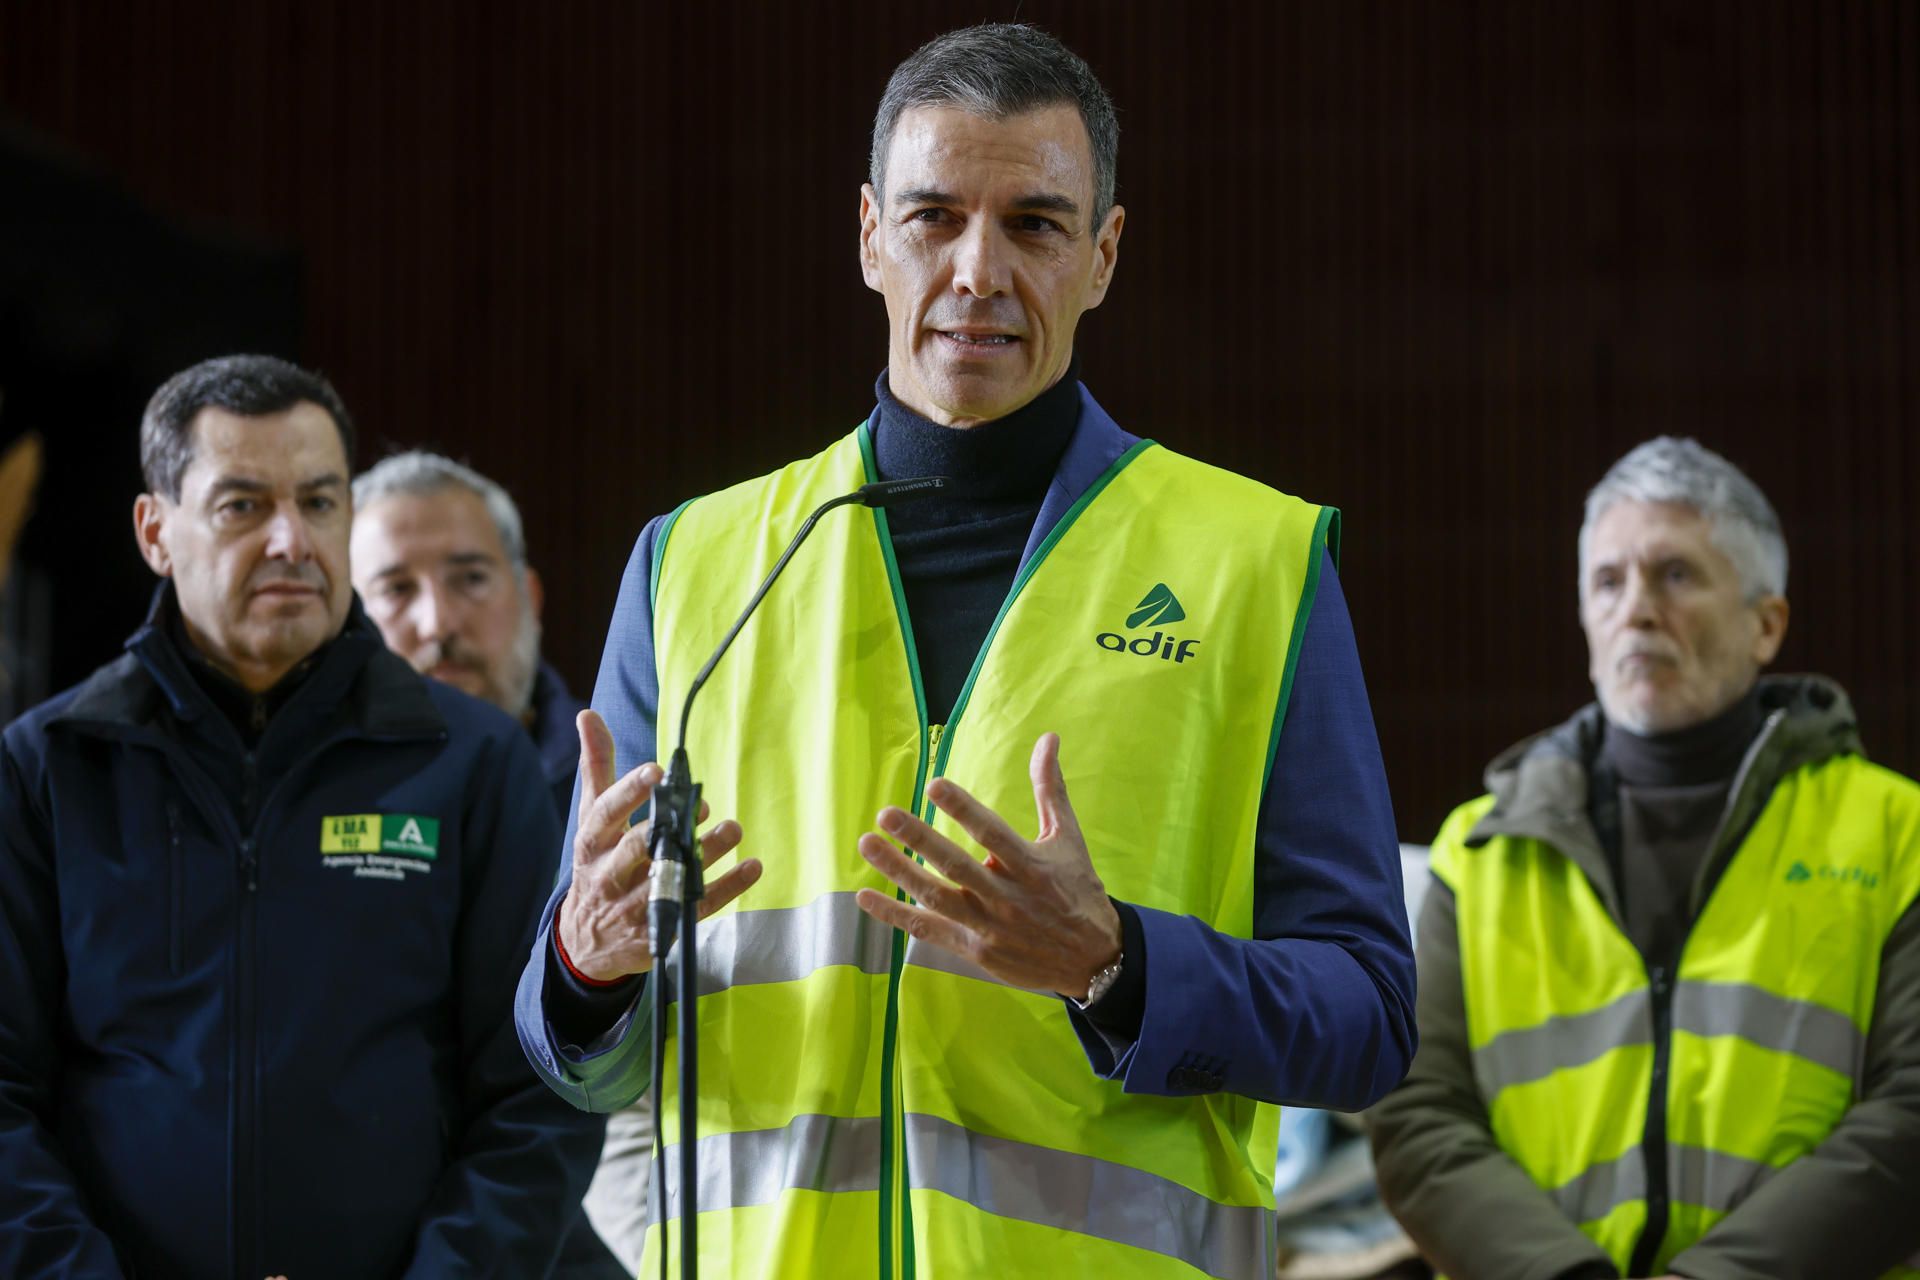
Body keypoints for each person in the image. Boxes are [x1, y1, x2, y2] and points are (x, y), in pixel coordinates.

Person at [516, 23, 1416, 1279]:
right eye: (934, 218)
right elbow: (575, 1052)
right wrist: (582, 963)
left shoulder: (1253, 563)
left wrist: (1118, 965)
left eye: (1035, 225)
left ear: (1103, 256)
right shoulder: (695, 565)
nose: (978, 270)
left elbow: (1369, 1016)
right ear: (870, 237)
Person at [0, 354, 604, 1278]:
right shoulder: (48, 769)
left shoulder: (477, 764)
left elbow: (537, 1096)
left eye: (320, 502)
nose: (291, 540)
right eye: (243, 505)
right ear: (156, 532)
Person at [1368, 437, 1920, 1280]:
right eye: (1607, 581)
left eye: (1676, 574)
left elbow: (1910, 1109)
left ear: (1767, 624)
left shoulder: (1896, 833)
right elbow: (1416, 1116)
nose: (1636, 609)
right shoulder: (1477, 856)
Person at [351, 450, 646, 1275]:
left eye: (471, 578)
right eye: (394, 589)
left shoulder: (631, 781)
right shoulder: (305, 816)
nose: (436, 621)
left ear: (530, 597)